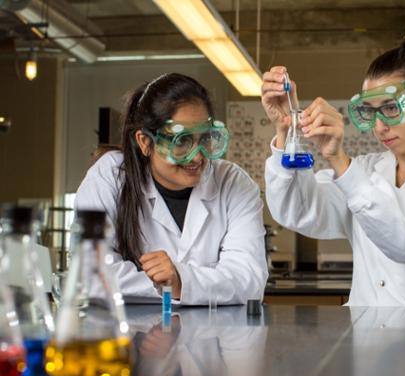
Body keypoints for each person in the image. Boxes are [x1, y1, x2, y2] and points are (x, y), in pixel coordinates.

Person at [261, 35, 405, 306]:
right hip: (366, 338)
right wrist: (289, 127)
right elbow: (298, 211)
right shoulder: (366, 169)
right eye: (370, 112)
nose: (379, 126)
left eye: (391, 108)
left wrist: (341, 161)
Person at [75, 73, 268, 305]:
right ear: (145, 142)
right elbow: (91, 273)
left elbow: (249, 280)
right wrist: (171, 285)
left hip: (213, 335)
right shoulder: (111, 176)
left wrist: (181, 281)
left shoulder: (234, 183)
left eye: (205, 139)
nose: (197, 156)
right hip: (135, 333)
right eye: (181, 141)